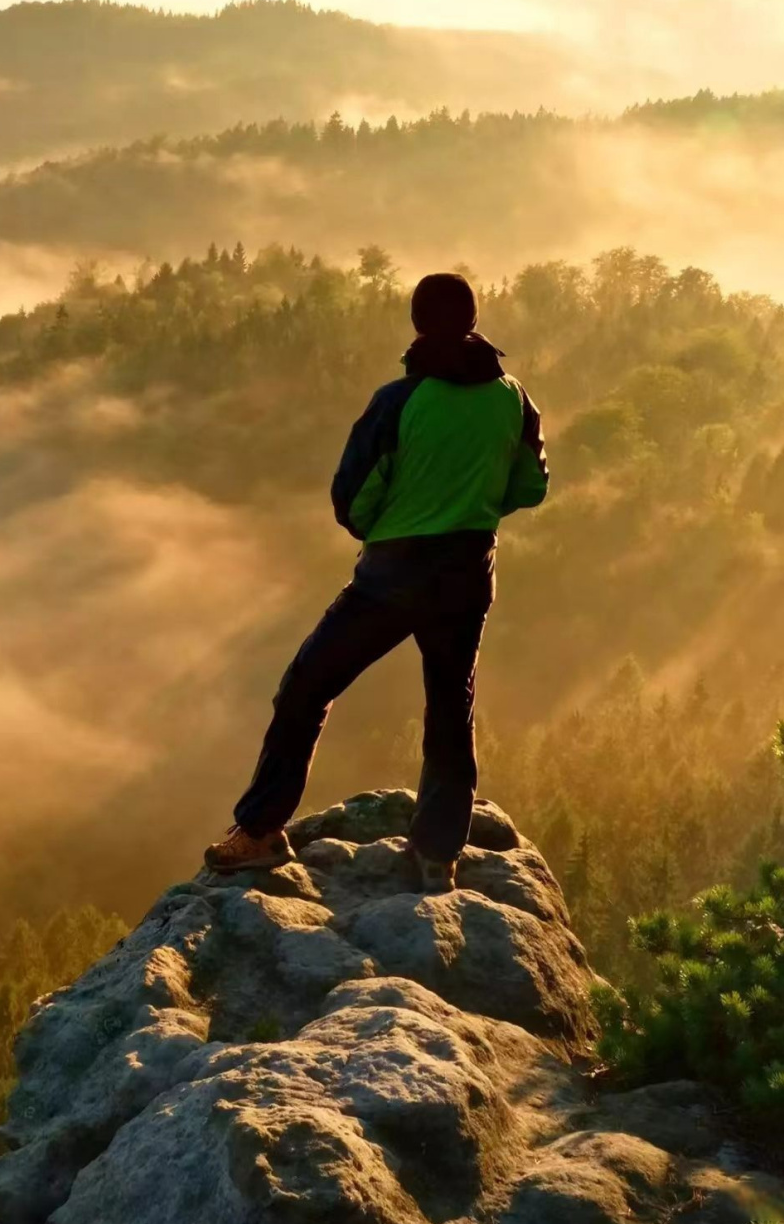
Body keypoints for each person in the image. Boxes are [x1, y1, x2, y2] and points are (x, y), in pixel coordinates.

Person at [205, 272, 549, 891]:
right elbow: (530, 486)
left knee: (306, 687)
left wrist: (394, 524)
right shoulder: (512, 397)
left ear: (418, 323)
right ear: (473, 321)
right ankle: (437, 856)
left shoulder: (399, 400)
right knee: (451, 709)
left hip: (393, 575)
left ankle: (259, 831)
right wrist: (472, 506)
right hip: (470, 569)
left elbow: (352, 499)